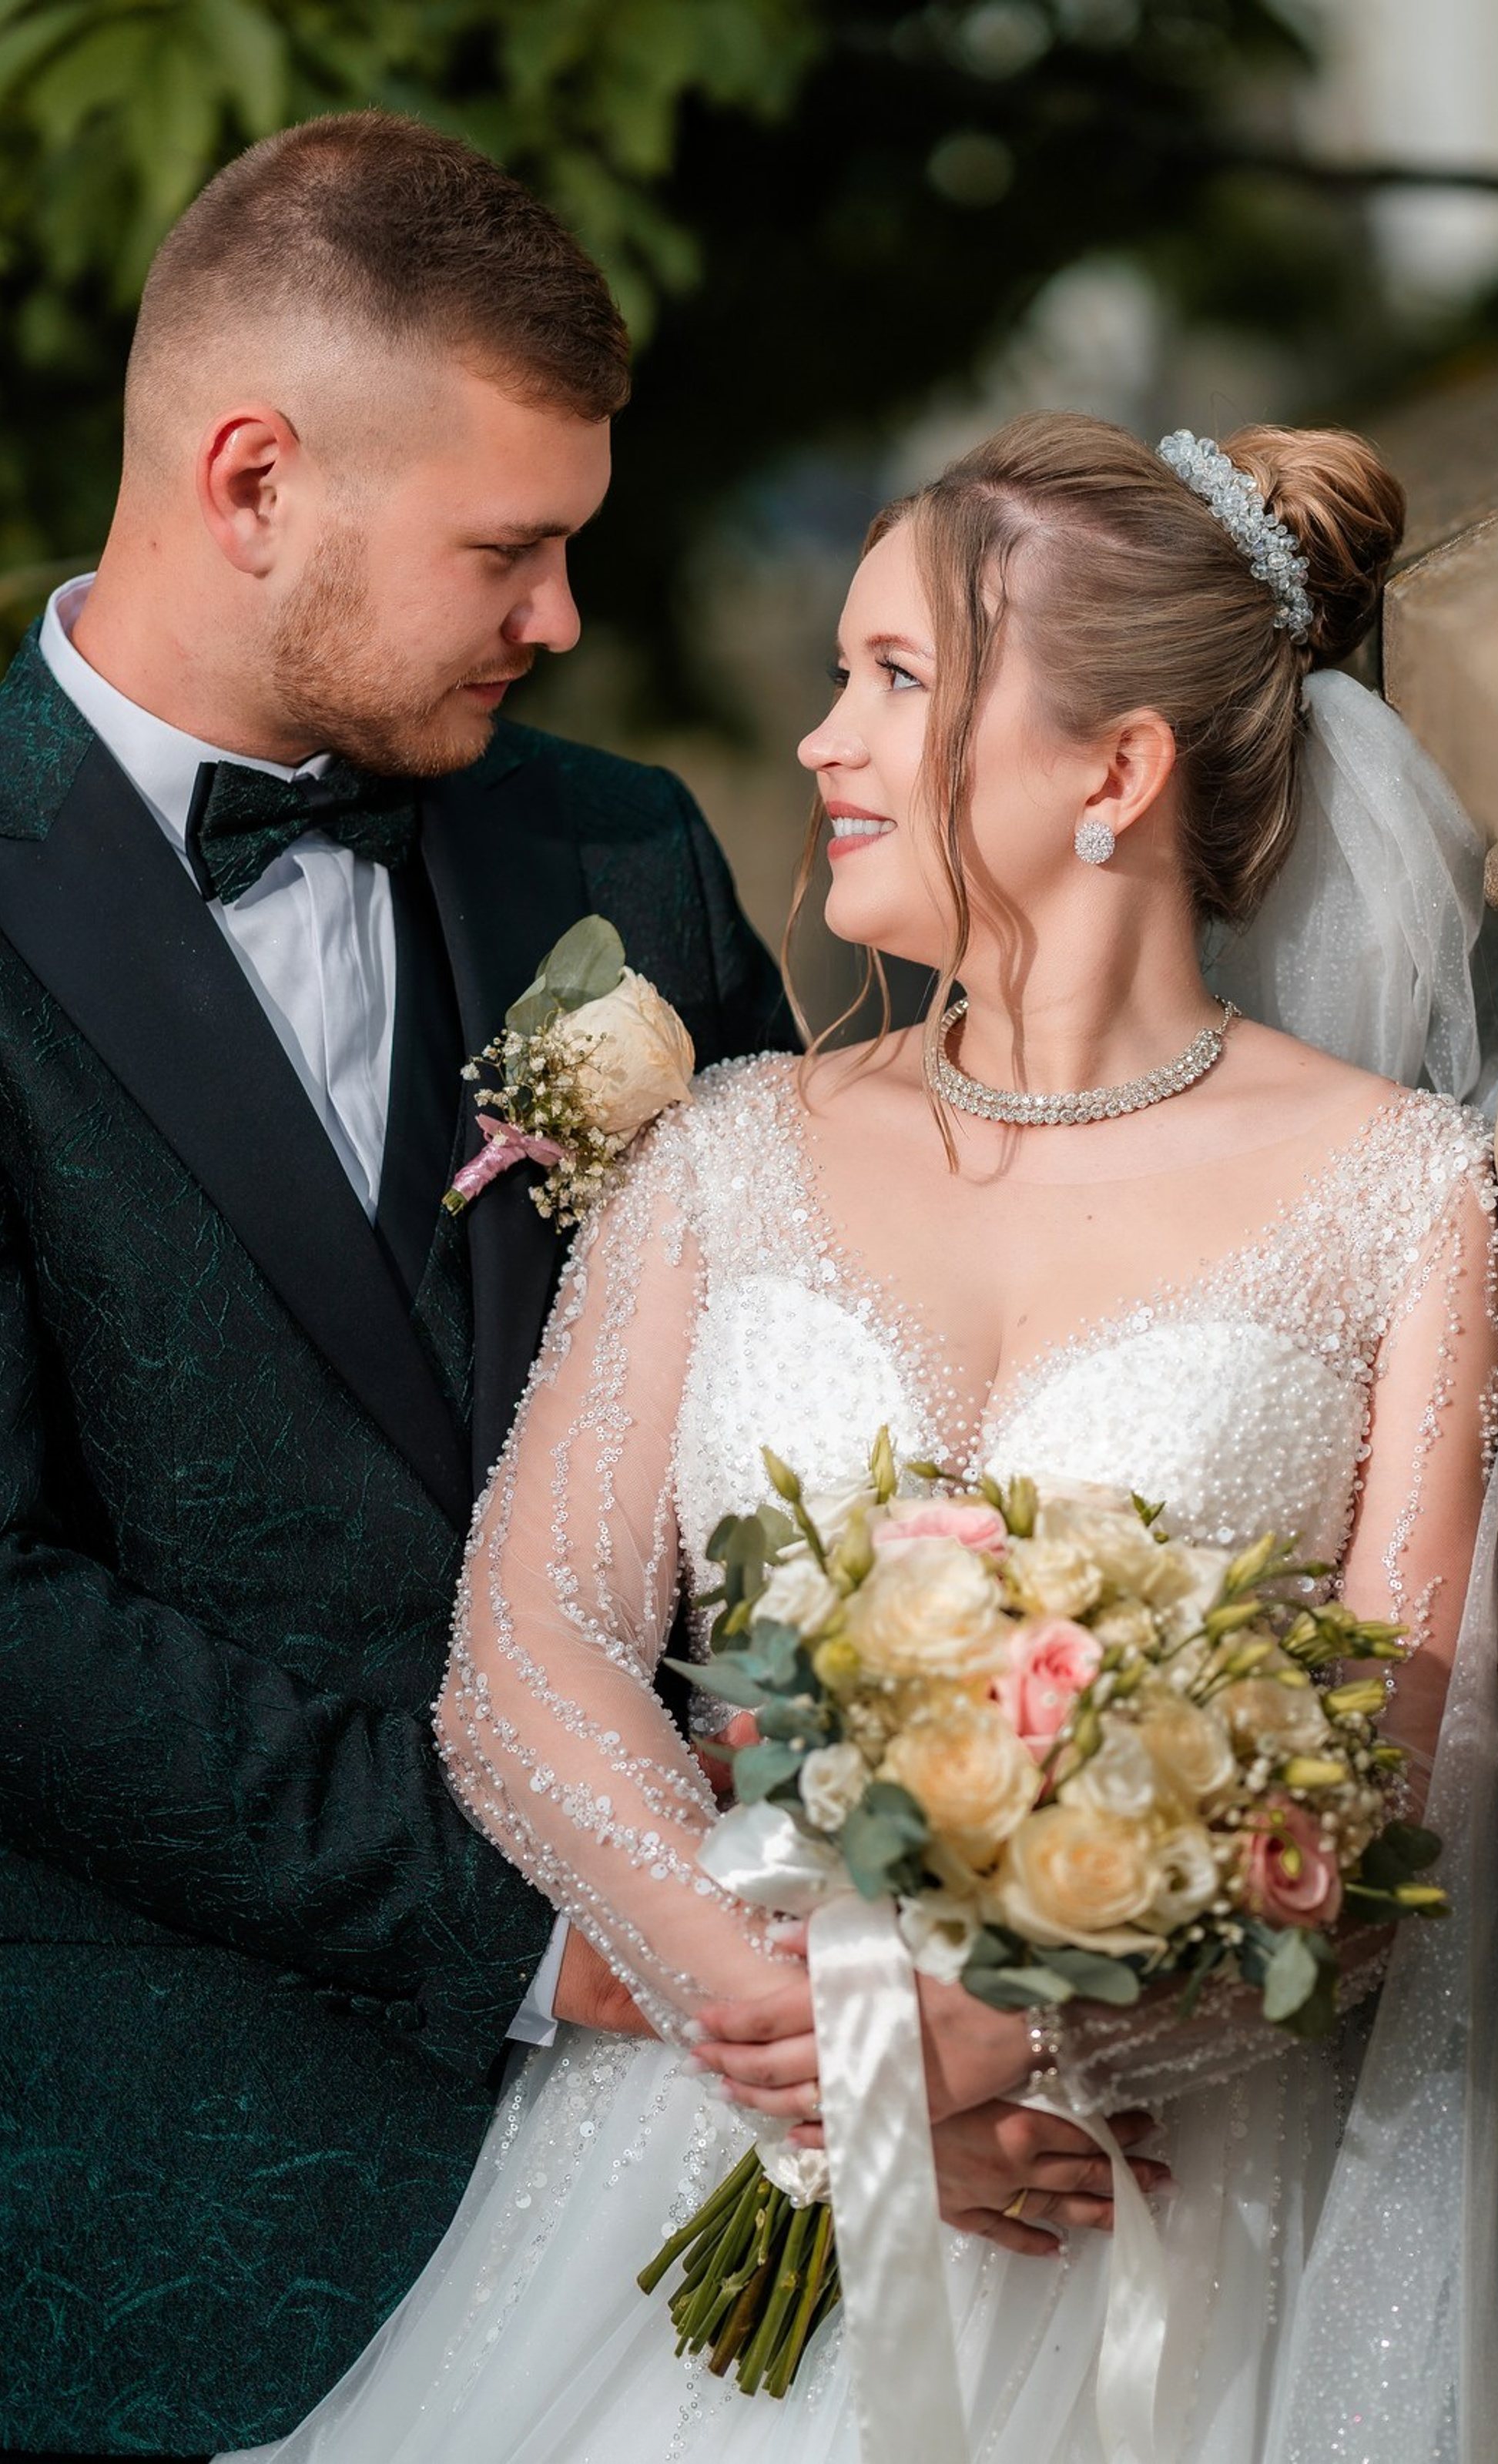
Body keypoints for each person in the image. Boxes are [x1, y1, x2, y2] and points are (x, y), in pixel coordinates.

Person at [225, 409, 1498, 2464]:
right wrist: (813, 2033)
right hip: (681, 2155)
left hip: (1134, 2225)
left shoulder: (1401, 1196)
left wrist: (1006, 2035)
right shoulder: (735, 1145)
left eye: (896, 680)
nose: (825, 740)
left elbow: (1392, 1773)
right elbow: (530, 1643)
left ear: (1114, 772)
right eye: (841, 676)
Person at [0, 112, 806, 2463]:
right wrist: (546, 1939)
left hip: (684, 2206)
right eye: (511, 549)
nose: (559, 618)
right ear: (254, 478)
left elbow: (795, 1410)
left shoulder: (619, 850)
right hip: (147, 2207)